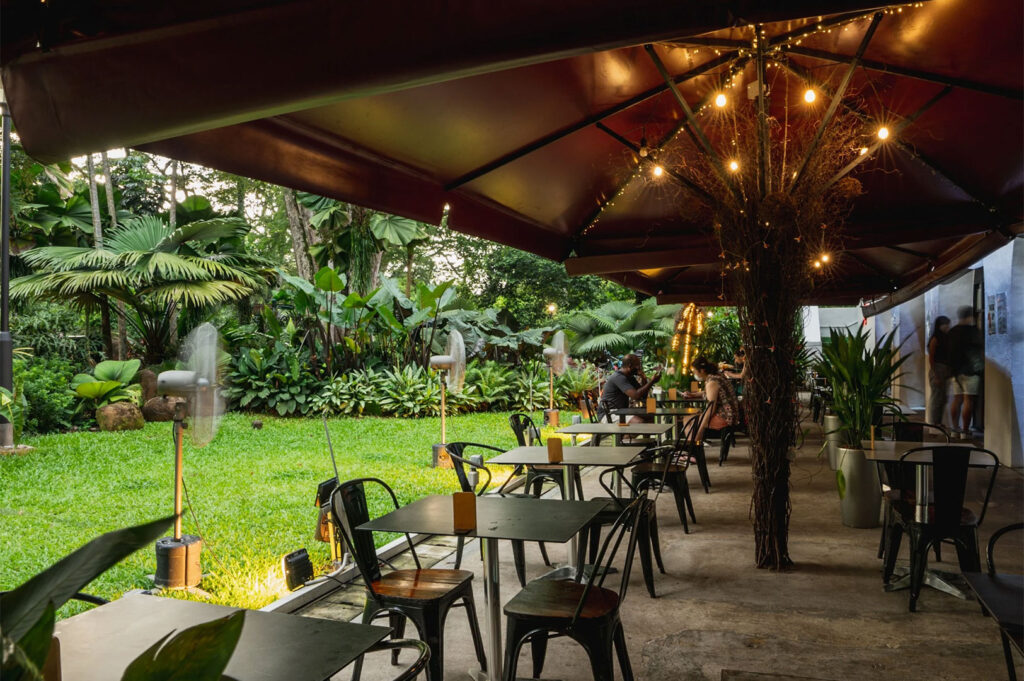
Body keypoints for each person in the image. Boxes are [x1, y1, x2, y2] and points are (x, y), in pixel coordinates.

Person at [946, 306, 983, 437]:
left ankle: (955, 429)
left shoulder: (952, 331)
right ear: (970, 316)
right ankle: (965, 430)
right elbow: (979, 347)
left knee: (957, 399)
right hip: (970, 370)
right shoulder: (973, 331)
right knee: (969, 400)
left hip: (955, 371)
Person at [685, 356, 740, 442]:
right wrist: (693, 395)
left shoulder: (712, 382)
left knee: (688, 420)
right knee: (691, 420)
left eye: (695, 371)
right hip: (731, 414)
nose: (694, 374)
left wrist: (700, 429)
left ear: (702, 371)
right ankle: (694, 445)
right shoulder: (716, 376)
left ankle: (693, 445)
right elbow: (710, 393)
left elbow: (710, 409)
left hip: (725, 417)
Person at [597, 353, 661, 423]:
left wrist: (644, 378)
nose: (639, 368)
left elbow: (642, 396)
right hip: (608, 413)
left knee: (650, 417)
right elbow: (636, 395)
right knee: (639, 422)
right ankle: (627, 431)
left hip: (622, 411)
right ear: (630, 366)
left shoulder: (630, 377)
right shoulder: (619, 377)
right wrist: (652, 382)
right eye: (638, 365)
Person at [926, 315, 951, 426]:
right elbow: (931, 357)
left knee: (942, 398)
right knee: (936, 397)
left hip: (944, 369)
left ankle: (938, 421)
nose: (947, 327)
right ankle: (934, 422)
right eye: (946, 325)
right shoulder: (935, 338)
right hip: (938, 369)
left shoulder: (945, 337)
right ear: (940, 325)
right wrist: (935, 373)